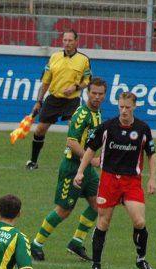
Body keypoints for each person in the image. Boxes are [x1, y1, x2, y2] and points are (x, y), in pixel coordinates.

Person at [73, 91, 156, 269]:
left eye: (127, 107)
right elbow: (90, 149)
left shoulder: (143, 128)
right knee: (103, 221)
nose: (124, 111)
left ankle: (141, 260)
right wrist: (80, 171)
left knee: (139, 221)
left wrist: (152, 178)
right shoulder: (108, 127)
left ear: (135, 106)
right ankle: (96, 263)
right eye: (121, 107)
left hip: (132, 182)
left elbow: (151, 154)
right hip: (109, 179)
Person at [31, 77, 107, 262]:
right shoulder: (81, 115)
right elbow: (71, 142)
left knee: (99, 205)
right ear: (87, 93)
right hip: (72, 167)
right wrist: (92, 160)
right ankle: (36, 244)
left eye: (100, 94)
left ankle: (76, 242)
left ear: (105, 95)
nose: (96, 97)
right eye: (93, 93)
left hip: (85, 167)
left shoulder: (96, 112)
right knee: (64, 209)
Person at [26, 29, 92, 170]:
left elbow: (87, 81)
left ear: (76, 41)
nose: (67, 43)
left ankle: (80, 162)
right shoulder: (54, 57)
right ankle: (33, 161)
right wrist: (38, 101)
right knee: (39, 130)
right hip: (53, 99)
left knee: (74, 130)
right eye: (65, 40)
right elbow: (45, 81)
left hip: (72, 100)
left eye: (70, 40)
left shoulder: (83, 60)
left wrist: (75, 87)